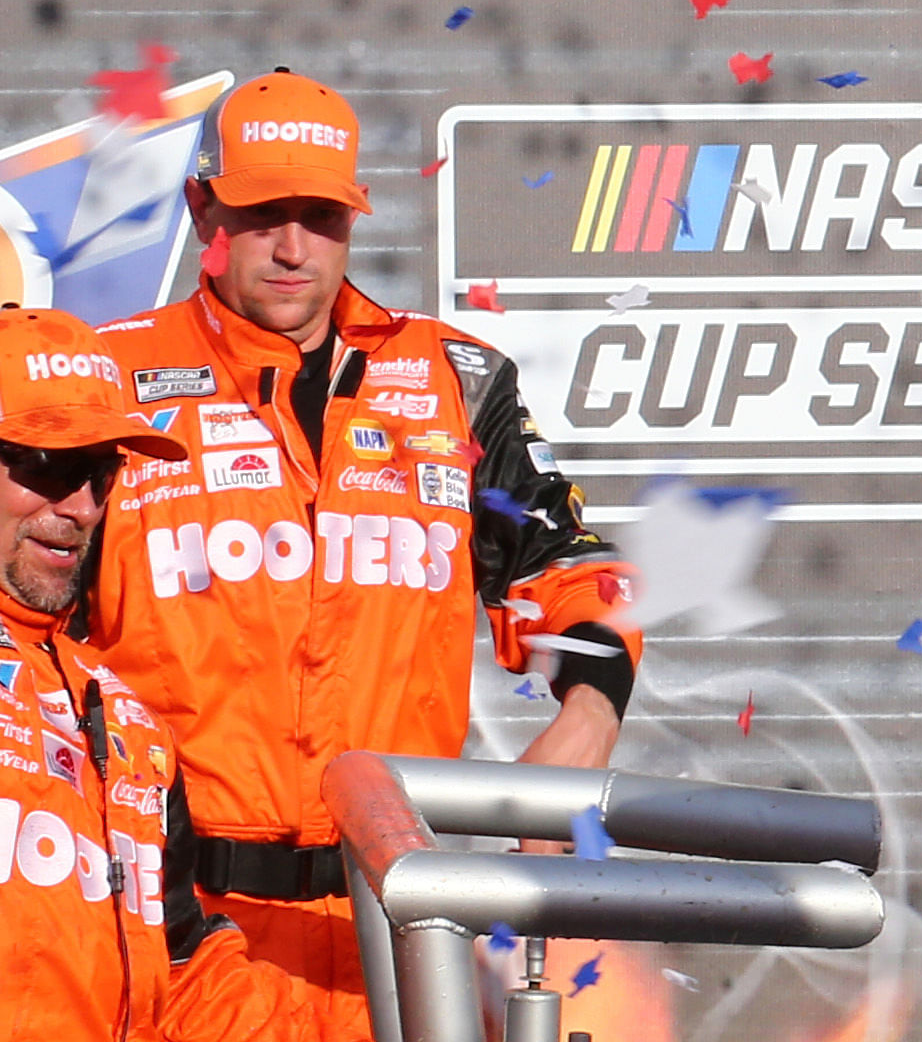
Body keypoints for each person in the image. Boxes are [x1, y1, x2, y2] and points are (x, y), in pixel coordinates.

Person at [90, 72, 633, 1036]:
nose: (294, 248)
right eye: (263, 214)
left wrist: (588, 714)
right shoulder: (107, 385)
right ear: (201, 206)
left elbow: (568, 568)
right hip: (176, 929)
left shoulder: (455, 383)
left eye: (321, 215)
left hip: (401, 923)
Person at [2, 338, 310, 1037]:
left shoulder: (127, 718)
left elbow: (179, 959)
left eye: (99, 474)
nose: (79, 507)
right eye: (47, 466)